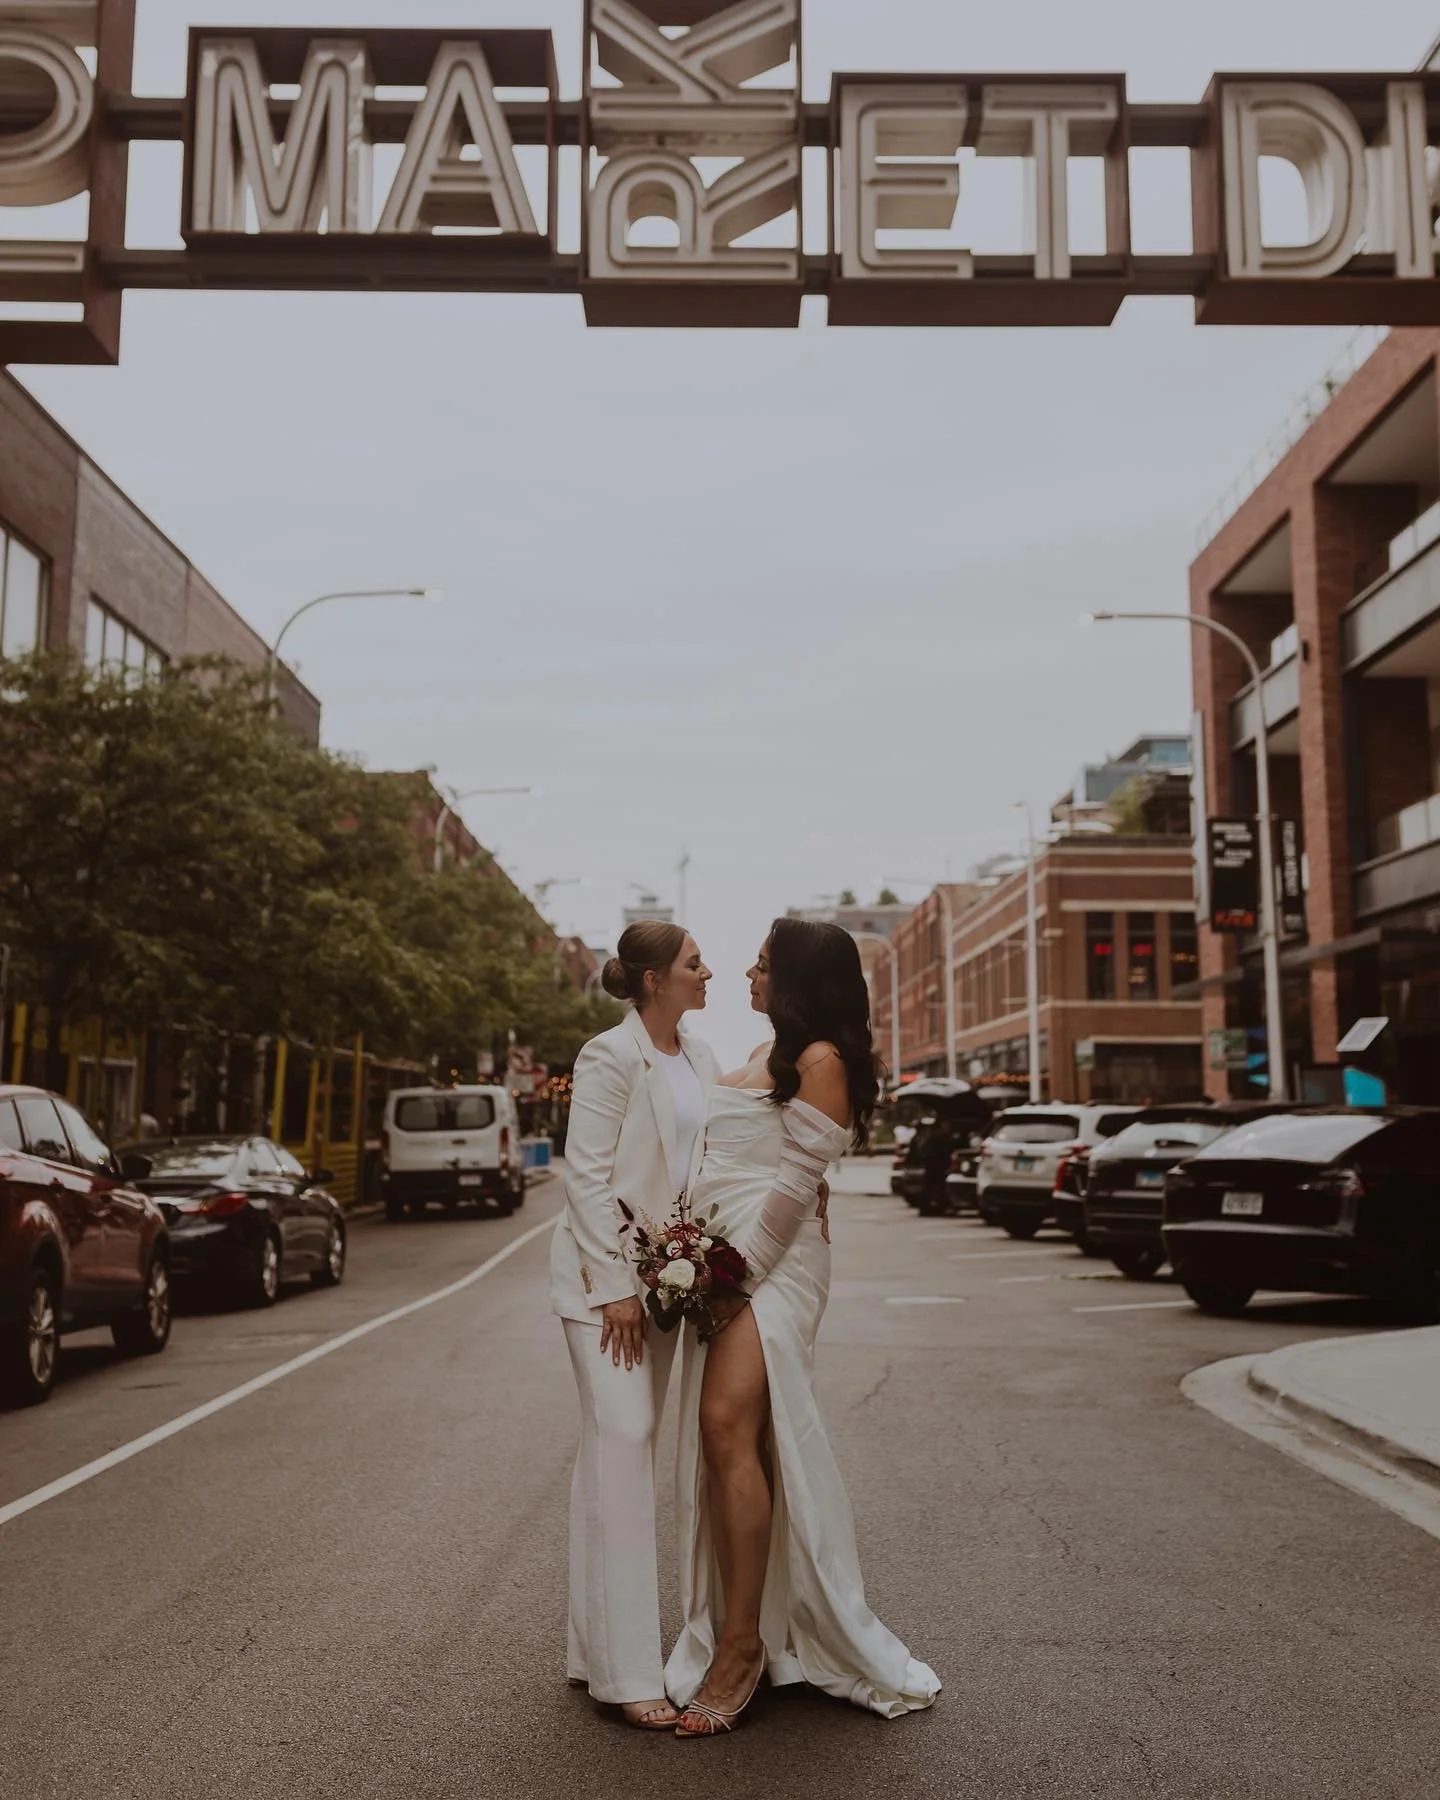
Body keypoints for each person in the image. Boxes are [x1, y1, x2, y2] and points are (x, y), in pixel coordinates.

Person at [666, 918, 941, 1736]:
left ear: (795, 980)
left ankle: (744, 1646)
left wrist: (732, 1278)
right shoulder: (757, 1061)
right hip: (727, 1263)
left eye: (761, 965)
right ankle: (744, 1629)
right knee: (736, 1446)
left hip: (773, 1268)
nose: (748, 974)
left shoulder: (822, 1062)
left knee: (725, 1427)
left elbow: (792, 1190)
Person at [551, 920, 719, 1731]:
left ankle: (590, 1654)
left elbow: (705, 1167)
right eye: (694, 963)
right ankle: (627, 1674)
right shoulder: (609, 1056)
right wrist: (614, 1285)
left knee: (611, 1454)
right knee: (624, 1440)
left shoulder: (702, 1058)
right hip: (604, 1287)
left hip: (671, 1287)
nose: (706, 972)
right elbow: (584, 1176)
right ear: (653, 979)